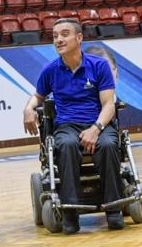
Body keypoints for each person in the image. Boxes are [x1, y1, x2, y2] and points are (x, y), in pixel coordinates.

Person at [23, 18, 123, 234]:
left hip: (98, 122)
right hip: (67, 125)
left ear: (79, 38)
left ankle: (114, 208)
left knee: (108, 145)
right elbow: (38, 95)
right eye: (55, 36)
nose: (58, 40)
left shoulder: (99, 66)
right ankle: (70, 211)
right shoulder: (51, 69)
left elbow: (109, 104)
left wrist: (95, 129)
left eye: (64, 34)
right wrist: (28, 108)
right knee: (66, 145)